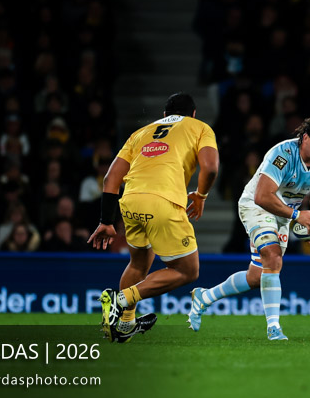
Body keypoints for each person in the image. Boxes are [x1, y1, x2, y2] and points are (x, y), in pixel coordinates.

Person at [187, 115, 310, 341]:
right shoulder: (282, 155)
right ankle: (273, 328)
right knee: (273, 258)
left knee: (258, 276)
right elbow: (262, 196)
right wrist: (297, 215)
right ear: (304, 138)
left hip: (284, 214)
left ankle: (204, 297)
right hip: (257, 206)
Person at [88, 93, 219, 342]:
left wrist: (106, 221)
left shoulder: (141, 133)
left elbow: (110, 180)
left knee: (139, 263)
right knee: (187, 271)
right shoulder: (200, 127)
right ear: (193, 114)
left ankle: (125, 324)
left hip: (131, 201)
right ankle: (120, 300)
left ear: (164, 116)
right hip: (163, 201)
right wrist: (200, 195)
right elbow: (211, 167)